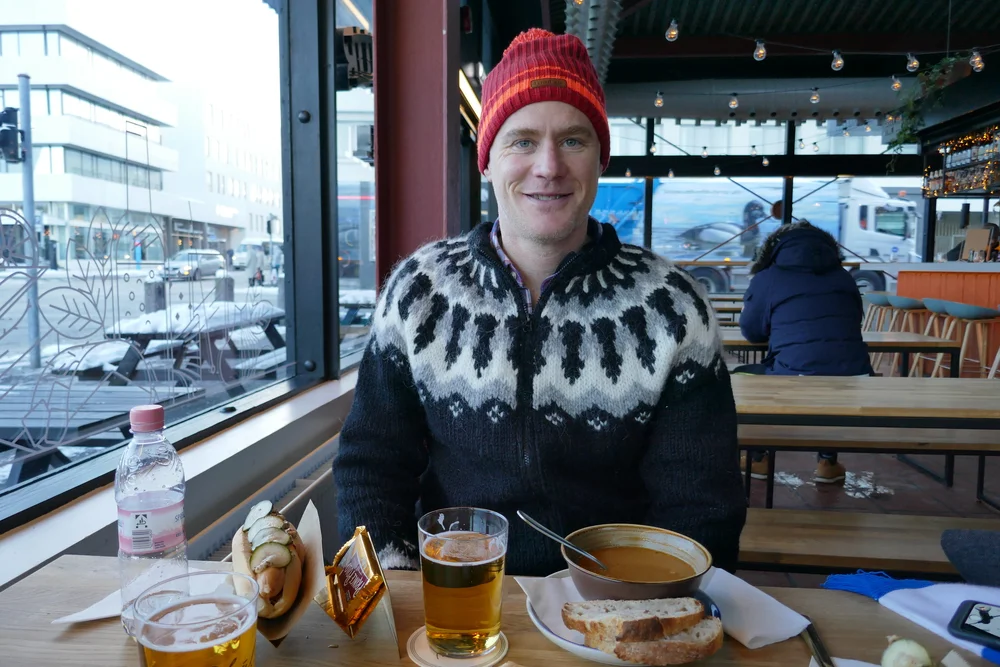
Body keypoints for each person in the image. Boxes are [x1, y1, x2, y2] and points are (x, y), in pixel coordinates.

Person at [333, 28, 746, 577]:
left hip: (613, 600)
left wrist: (639, 608)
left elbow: (701, 508)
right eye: (522, 141)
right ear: (487, 160)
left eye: (573, 140)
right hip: (454, 596)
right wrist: (396, 584)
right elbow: (371, 464)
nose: (549, 166)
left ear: (601, 159)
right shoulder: (418, 291)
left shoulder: (673, 309)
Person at [734, 221, 872, 484]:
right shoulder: (844, 277)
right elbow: (853, 322)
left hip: (796, 376)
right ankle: (827, 462)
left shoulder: (768, 278)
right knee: (829, 379)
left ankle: (758, 458)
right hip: (856, 378)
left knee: (742, 377)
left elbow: (752, 332)